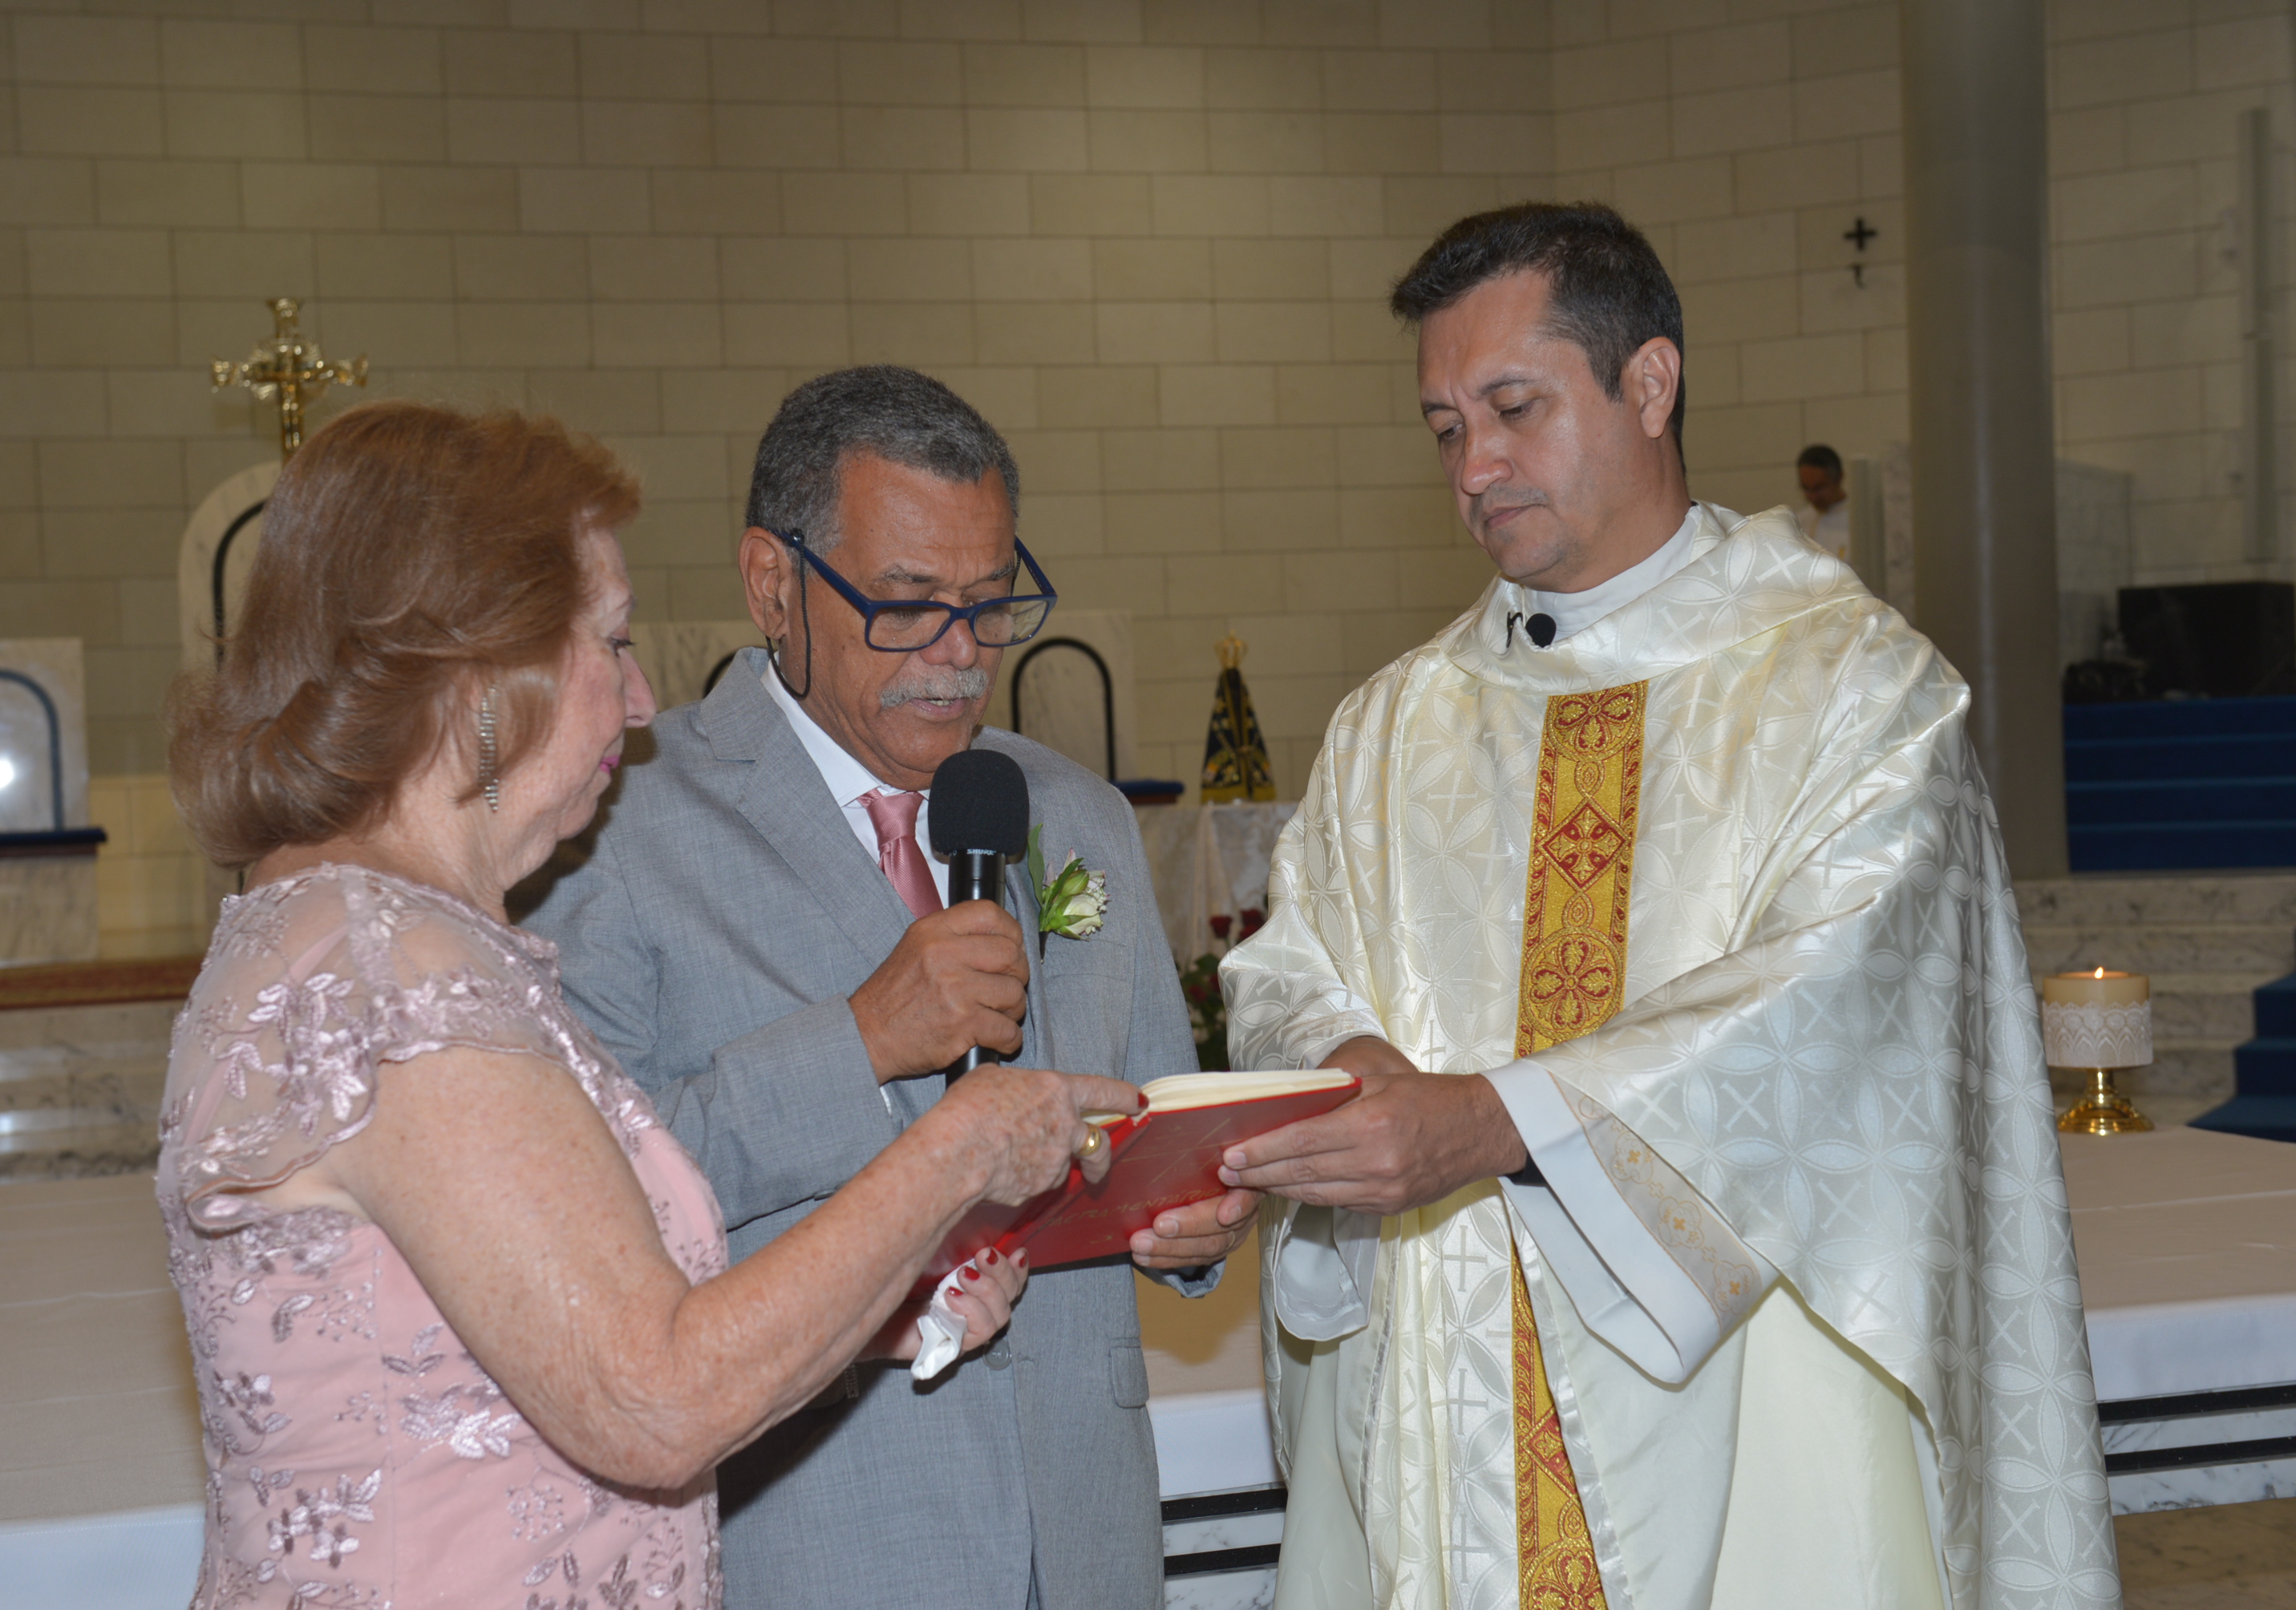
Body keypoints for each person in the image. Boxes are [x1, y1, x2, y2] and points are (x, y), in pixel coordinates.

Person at [1217, 204, 2118, 1610]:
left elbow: (1828, 1010)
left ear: (1648, 382)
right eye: (1445, 428)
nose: (1475, 466)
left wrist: (1489, 1120)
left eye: (1513, 408)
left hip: (1761, 1418)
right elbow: (1290, 961)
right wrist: (1346, 1064)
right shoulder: (1393, 724)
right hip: (1449, 1392)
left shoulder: (1854, 692)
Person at [156, 400, 1141, 1609]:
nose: (638, 698)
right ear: (483, 674)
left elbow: (536, 1335)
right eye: (612, 643)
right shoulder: (392, 976)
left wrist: (870, 1311)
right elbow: (651, 1404)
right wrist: (959, 1150)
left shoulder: (384, 935)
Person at [524, 365, 1255, 1610]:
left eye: (991, 602)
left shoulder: (1075, 814)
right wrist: (860, 1040)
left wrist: (1193, 1220)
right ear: (774, 584)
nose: (961, 655)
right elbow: (584, 1209)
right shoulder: (618, 828)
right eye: (908, 605)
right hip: (820, 1538)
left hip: (1084, 1533)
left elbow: (1155, 1120)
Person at [1797, 440, 1852, 562]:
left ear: (1840, 478)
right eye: (1806, 488)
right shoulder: (1799, 523)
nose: (1813, 497)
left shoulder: (1858, 521)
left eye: (1819, 488)